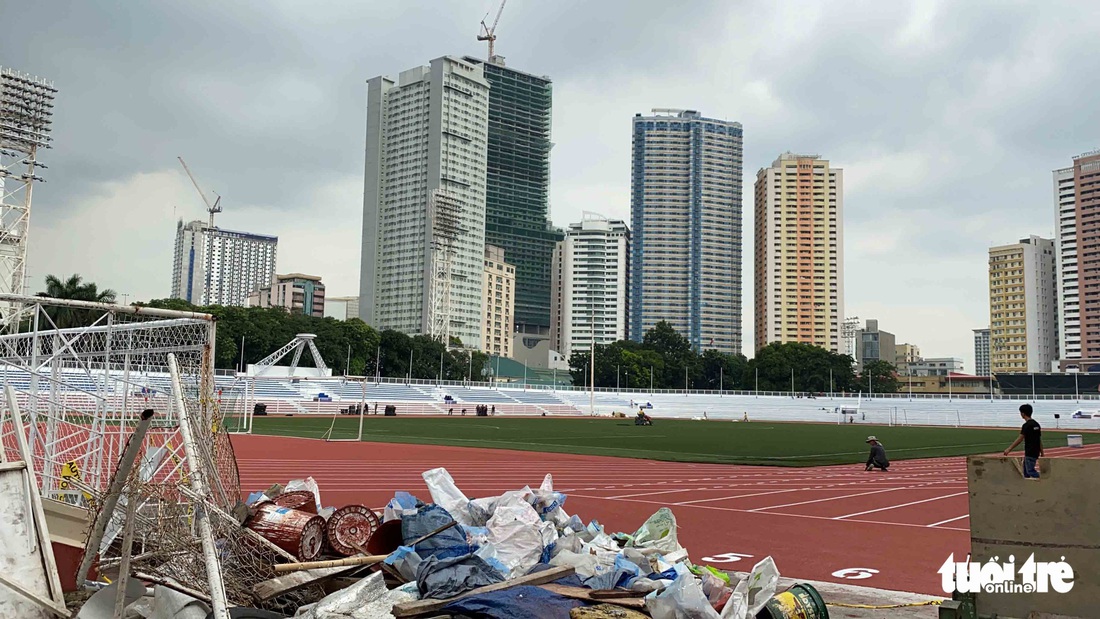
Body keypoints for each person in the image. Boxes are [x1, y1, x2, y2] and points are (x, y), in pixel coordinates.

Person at [1004, 404, 1043, 479]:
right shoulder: (1036, 424)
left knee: (1030, 471)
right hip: (1035, 451)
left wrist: (1009, 449)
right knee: (1026, 473)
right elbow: (1039, 440)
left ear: (1023, 414)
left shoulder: (1026, 425)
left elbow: (1020, 438)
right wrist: (1042, 452)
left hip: (1030, 452)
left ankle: (1044, 480)